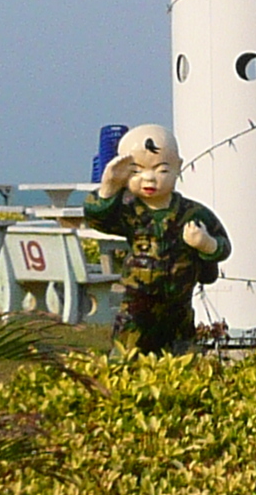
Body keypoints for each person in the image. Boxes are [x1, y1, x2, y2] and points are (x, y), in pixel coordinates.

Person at [81, 124, 228, 356]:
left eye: (161, 170)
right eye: (136, 171)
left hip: (178, 303)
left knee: (182, 355)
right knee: (127, 353)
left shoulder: (192, 213)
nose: (149, 179)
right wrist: (108, 189)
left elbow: (223, 245)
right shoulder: (129, 210)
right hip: (137, 301)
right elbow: (98, 219)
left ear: (178, 167)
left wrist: (206, 244)